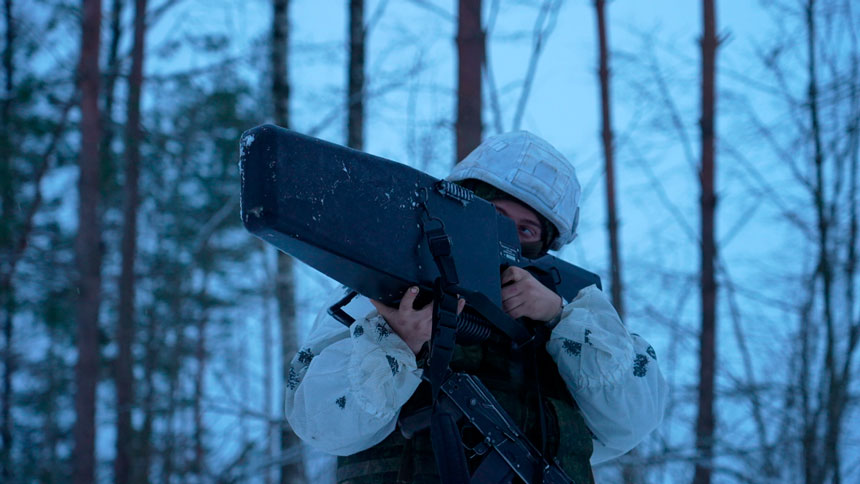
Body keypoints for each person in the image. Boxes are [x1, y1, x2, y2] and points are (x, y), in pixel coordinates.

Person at [285, 131, 667, 483]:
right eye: (495, 218)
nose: (508, 238)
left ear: (544, 246)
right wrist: (394, 341)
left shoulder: (579, 319)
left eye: (526, 230)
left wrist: (559, 318)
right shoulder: (385, 289)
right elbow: (322, 426)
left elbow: (631, 422)